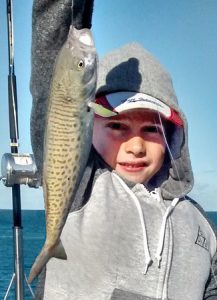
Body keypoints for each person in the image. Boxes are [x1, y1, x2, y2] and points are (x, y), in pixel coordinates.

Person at [33, 42, 217, 300]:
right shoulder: (81, 189)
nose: (136, 146)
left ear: (172, 138)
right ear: (88, 123)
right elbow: (50, 87)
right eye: (117, 125)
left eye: (152, 129)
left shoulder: (202, 224)